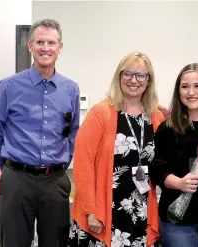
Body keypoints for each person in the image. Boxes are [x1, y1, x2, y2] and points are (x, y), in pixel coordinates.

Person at [0, 19, 80, 247]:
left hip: (56, 181)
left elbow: (72, 134)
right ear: (30, 46)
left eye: (51, 42)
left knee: (56, 243)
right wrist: (11, 170)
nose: (45, 48)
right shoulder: (9, 87)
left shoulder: (70, 89)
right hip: (17, 180)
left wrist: (58, 166)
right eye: (40, 42)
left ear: (60, 47)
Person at [69, 52, 164, 247]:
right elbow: (83, 162)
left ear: (148, 80)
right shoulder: (100, 112)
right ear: (119, 76)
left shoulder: (155, 116)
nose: (133, 80)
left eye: (140, 75)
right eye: (127, 73)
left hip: (140, 211)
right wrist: (90, 210)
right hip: (103, 213)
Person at [151, 63, 198, 247]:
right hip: (178, 222)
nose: (191, 92)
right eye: (185, 86)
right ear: (178, 91)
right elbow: (156, 169)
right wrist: (178, 182)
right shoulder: (168, 128)